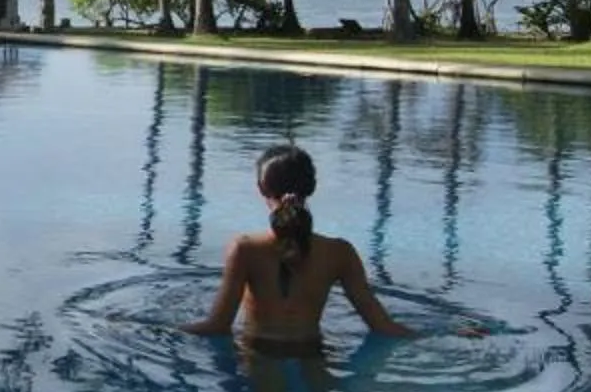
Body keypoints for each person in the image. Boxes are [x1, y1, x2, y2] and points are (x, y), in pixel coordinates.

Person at [178, 143, 477, 346]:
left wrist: (146, 325)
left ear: (260, 189)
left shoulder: (245, 249)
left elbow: (217, 326)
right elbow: (383, 327)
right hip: (314, 356)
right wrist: (448, 334)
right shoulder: (340, 253)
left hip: (259, 355)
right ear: (312, 188)